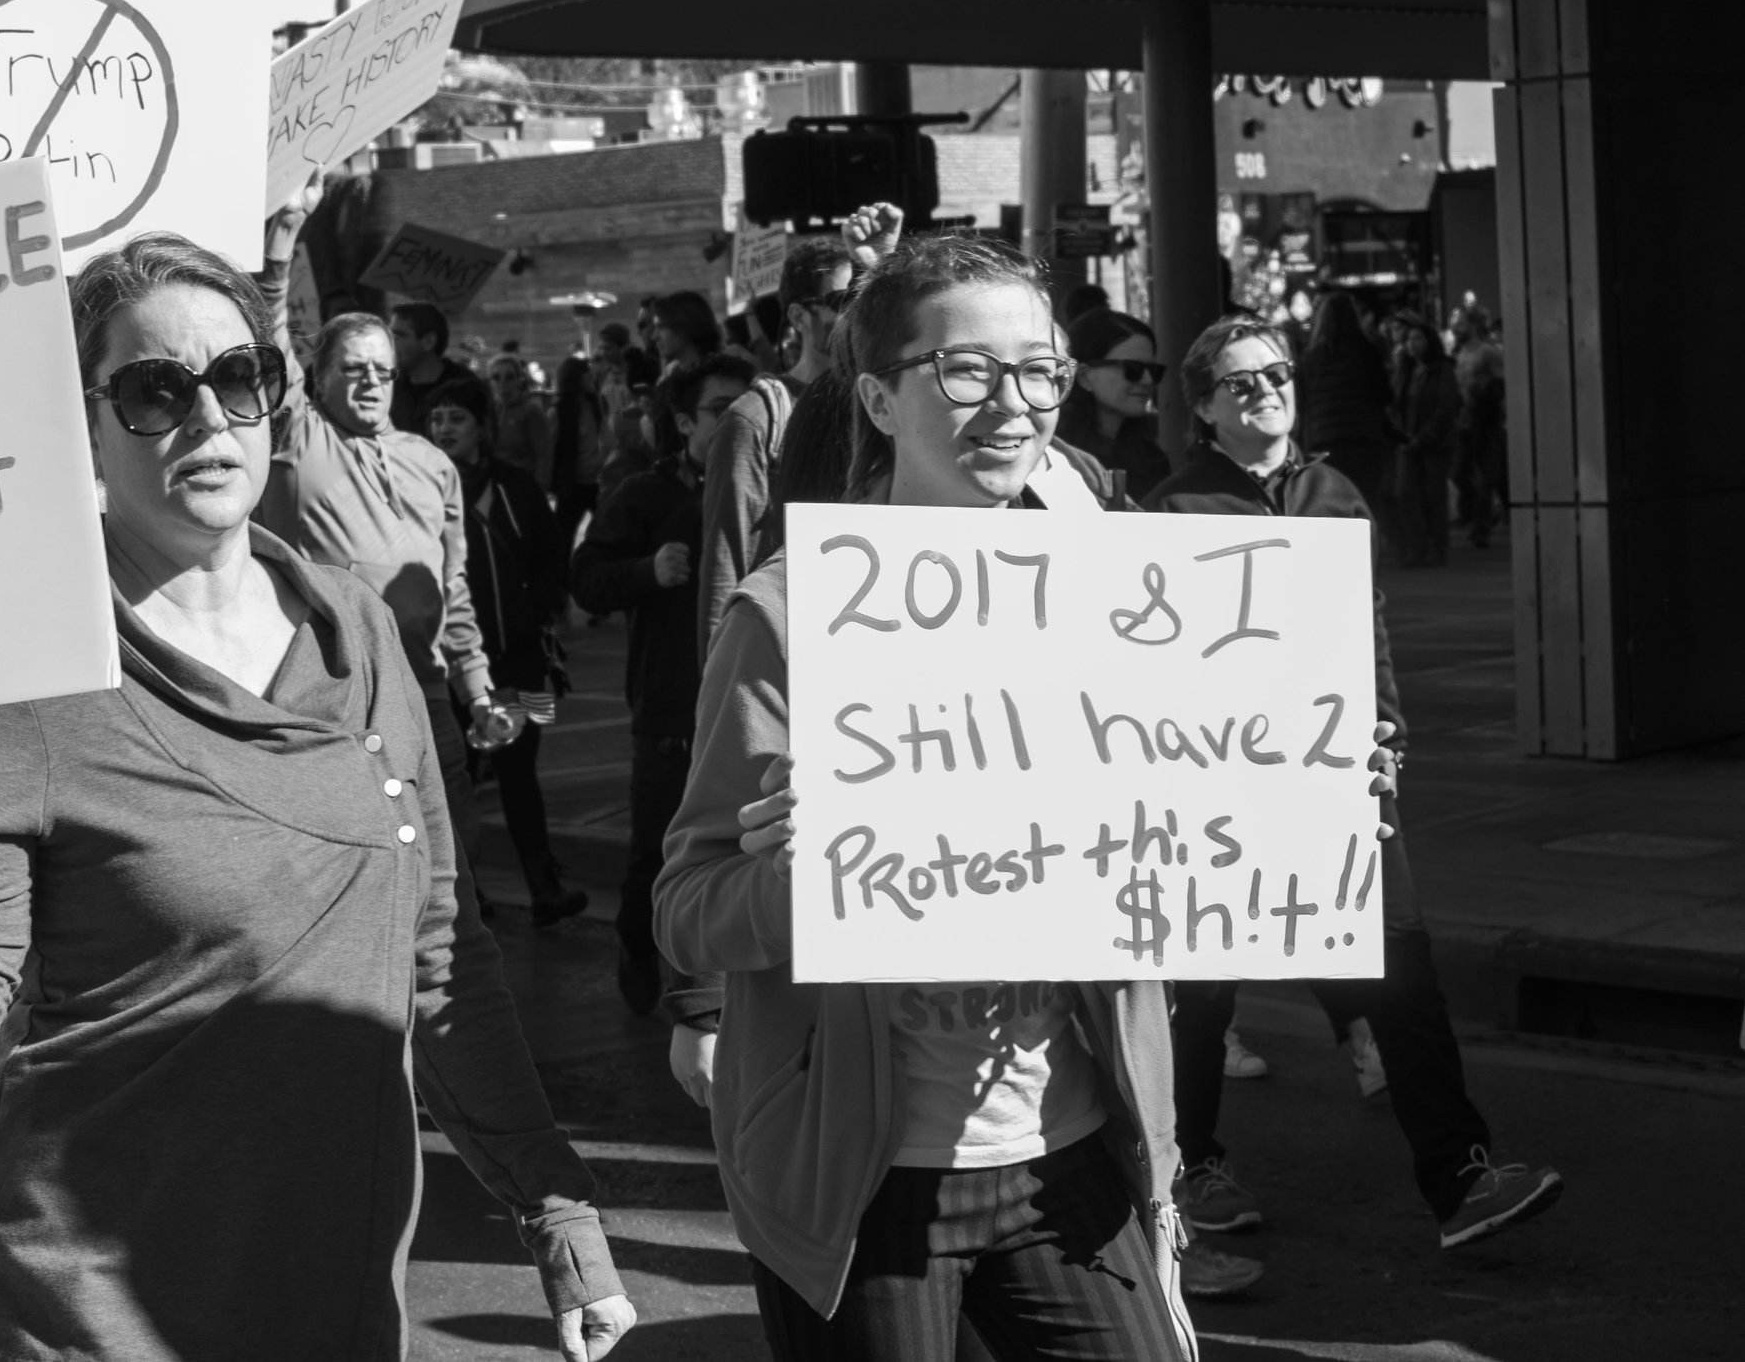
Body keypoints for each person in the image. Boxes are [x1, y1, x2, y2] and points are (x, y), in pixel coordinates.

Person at [0, 231, 634, 1361]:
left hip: (334, 1297)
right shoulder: (24, 675)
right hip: (92, 1316)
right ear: (80, 421)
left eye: (238, 377)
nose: (208, 418)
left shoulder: (356, 630)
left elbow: (439, 957)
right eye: (154, 389)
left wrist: (556, 1214)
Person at [652, 238, 1387, 1357]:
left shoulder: (1131, 602)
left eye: (1039, 371)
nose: (1012, 403)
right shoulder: (792, 613)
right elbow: (690, 907)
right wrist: (803, 880)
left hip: (1074, 1151)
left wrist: (1304, 794)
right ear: (878, 400)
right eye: (964, 371)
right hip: (869, 1180)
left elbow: (1168, 857)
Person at [1144, 315, 1563, 1252]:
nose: (1266, 391)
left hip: (1339, 781)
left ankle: (1461, 1178)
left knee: (1404, 972)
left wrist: (1388, 736)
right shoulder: (1173, 513)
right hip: (1219, 786)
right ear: (1205, 408)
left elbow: (1364, 633)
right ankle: (1193, 1169)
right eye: (1241, 383)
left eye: (1277, 374)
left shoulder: (1336, 493)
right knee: (1204, 989)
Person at [257, 307, 515, 845]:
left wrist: (478, 691)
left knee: (453, 859)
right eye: (354, 369)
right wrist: (279, 252)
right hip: (338, 698)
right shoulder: (298, 441)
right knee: (362, 858)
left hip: (429, 694)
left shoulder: (433, 462)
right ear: (318, 378)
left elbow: (453, 589)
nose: (372, 380)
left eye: (383, 369)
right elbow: (274, 342)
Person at [569, 349, 757, 1018]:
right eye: (721, 410)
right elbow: (587, 578)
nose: (740, 422)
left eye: (750, 407)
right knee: (661, 857)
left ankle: (725, 992)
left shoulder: (771, 491)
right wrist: (648, 570)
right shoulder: (647, 494)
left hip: (753, 716)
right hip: (672, 715)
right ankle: (644, 970)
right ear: (684, 423)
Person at [427, 377, 585, 927]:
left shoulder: (515, 486)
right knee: (456, 780)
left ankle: (545, 886)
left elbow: (551, 555)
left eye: (457, 419)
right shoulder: (418, 490)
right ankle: (464, 898)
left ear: (482, 428)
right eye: (438, 418)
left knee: (520, 772)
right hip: (449, 667)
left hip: (519, 660)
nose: (445, 429)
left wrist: (537, 603)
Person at [695, 238, 865, 661]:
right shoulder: (755, 418)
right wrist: (720, 692)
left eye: (862, 297)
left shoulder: (884, 407)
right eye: (842, 299)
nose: (855, 313)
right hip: (786, 651)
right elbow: (726, 561)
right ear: (798, 316)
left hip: (865, 647)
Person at [1297, 289, 1403, 544]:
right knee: (1366, 502)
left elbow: (1303, 400)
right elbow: (1384, 394)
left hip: (1324, 441)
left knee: (1332, 503)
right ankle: (1366, 559)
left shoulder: (1312, 356)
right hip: (1364, 438)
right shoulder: (1365, 348)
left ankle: (1339, 556)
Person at [1055, 307, 1175, 500]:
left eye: (1153, 370)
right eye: (1133, 369)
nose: (1147, 380)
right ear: (1085, 376)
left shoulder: (1152, 458)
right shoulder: (1057, 458)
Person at [1391, 316, 1462, 567]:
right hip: (1408, 441)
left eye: (1418, 338)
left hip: (1435, 443)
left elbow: (1445, 407)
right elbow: (1396, 405)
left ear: (1430, 341)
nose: (1412, 344)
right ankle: (1417, 547)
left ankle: (1436, 547)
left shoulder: (1442, 369)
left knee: (1434, 495)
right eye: (1409, 339)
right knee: (1406, 493)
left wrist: (1424, 438)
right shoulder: (1406, 371)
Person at [1451, 307, 1506, 549]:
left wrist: (1483, 392)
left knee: (1486, 474)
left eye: (1460, 324)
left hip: (1486, 419)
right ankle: (1481, 515)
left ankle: (1481, 524)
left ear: (1472, 326)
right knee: (1459, 473)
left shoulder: (1487, 352)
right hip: (1465, 420)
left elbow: (1500, 383)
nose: (1455, 328)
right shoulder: (1459, 352)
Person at [389, 300, 477, 435]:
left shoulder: (466, 388)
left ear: (428, 341)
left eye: (397, 337)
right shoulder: (390, 388)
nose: (389, 344)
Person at [548, 352, 608, 550]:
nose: (592, 378)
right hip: (572, 483)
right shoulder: (560, 411)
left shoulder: (595, 403)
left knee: (606, 531)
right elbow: (549, 449)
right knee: (563, 536)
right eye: (587, 375)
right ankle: (561, 577)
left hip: (598, 480)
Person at [486, 353, 554, 492]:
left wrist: (539, 490)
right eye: (496, 377)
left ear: (519, 379)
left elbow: (544, 455)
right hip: (492, 485)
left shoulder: (531, 411)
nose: (502, 381)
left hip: (523, 485)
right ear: (490, 381)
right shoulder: (487, 410)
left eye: (509, 377)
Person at [645, 290, 723, 375]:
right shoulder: (670, 373)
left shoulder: (721, 379)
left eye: (661, 327)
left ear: (686, 326)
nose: (654, 336)